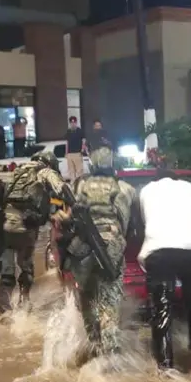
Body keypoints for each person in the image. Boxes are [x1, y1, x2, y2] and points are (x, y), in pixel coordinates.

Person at [55, 148, 137, 359]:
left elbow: (68, 217)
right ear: (112, 164)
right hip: (111, 248)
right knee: (109, 302)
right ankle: (110, 359)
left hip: (81, 248)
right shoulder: (126, 188)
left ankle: (94, 346)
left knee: (87, 298)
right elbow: (133, 225)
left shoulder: (79, 185)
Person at [138, 166, 191, 370]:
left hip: (158, 251)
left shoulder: (146, 190)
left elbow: (143, 221)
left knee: (162, 306)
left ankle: (166, 365)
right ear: (176, 179)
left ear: (156, 179)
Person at [0, 150, 69, 313]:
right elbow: (62, 189)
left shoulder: (18, 171)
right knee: (26, 267)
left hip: (4, 225)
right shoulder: (44, 171)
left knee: (7, 271)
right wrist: (75, 204)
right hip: (25, 228)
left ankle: (3, 311)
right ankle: (24, 303)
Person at [65, 116, 86, 181]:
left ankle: (80, 184)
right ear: (70, 123)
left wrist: (82, 150)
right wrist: (66, 153)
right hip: (70, 154)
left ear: (76, 123)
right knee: (71, 171)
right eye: (71, 122)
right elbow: (67, 143)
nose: (73, 124)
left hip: (77, 153)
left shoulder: (80, 131)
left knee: (79, 171)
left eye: (74, 122)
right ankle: (73, 185)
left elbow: (84, 141)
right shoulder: (68, 131)